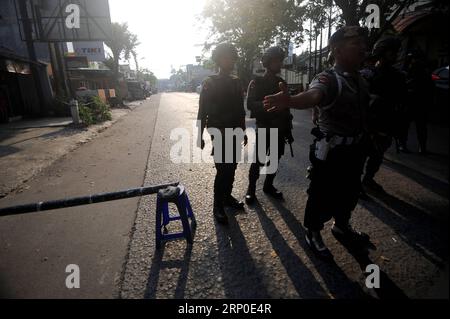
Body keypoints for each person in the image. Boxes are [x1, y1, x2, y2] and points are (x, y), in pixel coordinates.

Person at [263, 26, 370, 258]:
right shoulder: (328, 78)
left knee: (350, 192)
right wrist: (290, 100)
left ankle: (342, 226)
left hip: (356, 149)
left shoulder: (361, 79)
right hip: (332, 152)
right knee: (322, 194)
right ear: (338, 50)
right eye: (356, 44)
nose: (363, 47)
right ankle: (312, 231)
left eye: (363, 43)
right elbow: (313, 95)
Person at [197, 43, 247, 225]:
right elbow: (202, 111)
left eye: (232, 57)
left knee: (232, 166)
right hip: (218, 131)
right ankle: (217, 205)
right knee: (222, 169)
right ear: (219, 59)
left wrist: (243, 130)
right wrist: (199, 135)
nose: (230, 60)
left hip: (234, 130)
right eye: (226, 57)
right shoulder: (210, 82)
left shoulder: (236, 81)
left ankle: (227, 197)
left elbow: (241, 110)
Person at [245, 46, 294, 204]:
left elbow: (287, 106)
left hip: (280, 129)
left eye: (280, 61)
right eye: (275, 61)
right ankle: (251, 190)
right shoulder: (257, 81)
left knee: (274, 159)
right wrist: (268, 105)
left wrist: (288, 129)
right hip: (265, 127)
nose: (278, 64)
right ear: (267, 62)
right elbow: (251, 104)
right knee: (258, 160)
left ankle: (268, 186)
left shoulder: (282, 82)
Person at [361, 37, 407, 193]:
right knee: (360, 155)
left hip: (385, 123)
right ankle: (357, 184)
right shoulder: (367, 75)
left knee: (377, 155)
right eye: (391, 52)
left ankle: (367, 180)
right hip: (366, 124)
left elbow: (401, 102)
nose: (395, 55)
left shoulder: (399, 76)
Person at [400, 50, 433, 154]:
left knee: (407, 125)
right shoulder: (424, 70)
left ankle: (403, 145)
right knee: (420, 126)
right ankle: (421, 147)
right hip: (419, 101)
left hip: (413, 100)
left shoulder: (413, 67)